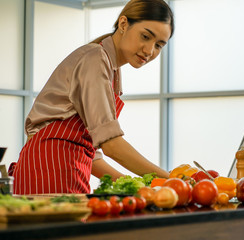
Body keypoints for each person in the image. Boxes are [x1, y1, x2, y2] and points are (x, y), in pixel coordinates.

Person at [12, 0, 174, 194]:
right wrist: (172, 180)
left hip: (64, 164)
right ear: (123, 24)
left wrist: (132, 185)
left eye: (159, 45)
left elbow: (92, 152)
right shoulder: (95, 59)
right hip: (50, 165)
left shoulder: (110, 67)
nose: (149, 51)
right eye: (145, 36)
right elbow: (111, 145)